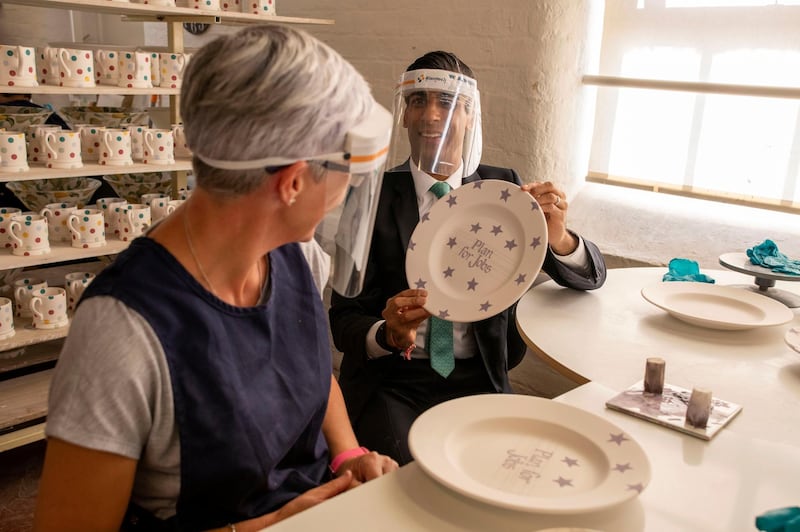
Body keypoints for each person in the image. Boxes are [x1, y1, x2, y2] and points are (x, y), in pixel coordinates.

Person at [33, 25, 397, 531]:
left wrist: (347, 455)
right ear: (292, 182)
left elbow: (313, 374)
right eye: (347, 171)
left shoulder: (298, 256)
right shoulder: (121, 333)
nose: (348, 188)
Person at [329, 51, 608, 465]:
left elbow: (590, 277)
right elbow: (343, 320)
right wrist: (386, 333)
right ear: (403, 115)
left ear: (469, 116)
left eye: (446, 103)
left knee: (505, 475)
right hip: (393, 382)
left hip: (483, 378)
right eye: (418, 101)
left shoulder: (503, 191)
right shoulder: (369, 198)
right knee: (407, 481)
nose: (430, 116)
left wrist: (560, 237)